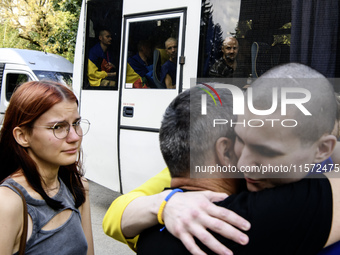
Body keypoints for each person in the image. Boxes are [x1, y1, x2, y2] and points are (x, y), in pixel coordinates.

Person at [103, 63, 340, 255]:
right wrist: (165, 204)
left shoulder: (152, 235)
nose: (245, 163)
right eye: (241, 140)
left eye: (266, 151)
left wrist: (163, 203)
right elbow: (114, 214)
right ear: (224, 150)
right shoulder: (271, 213)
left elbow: (119, 213)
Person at [0, 81, 94, 254]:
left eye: (76, 123)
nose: (74, 136)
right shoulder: (8, 202)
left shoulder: (77, 186)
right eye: (58, 127)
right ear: (22, 136)